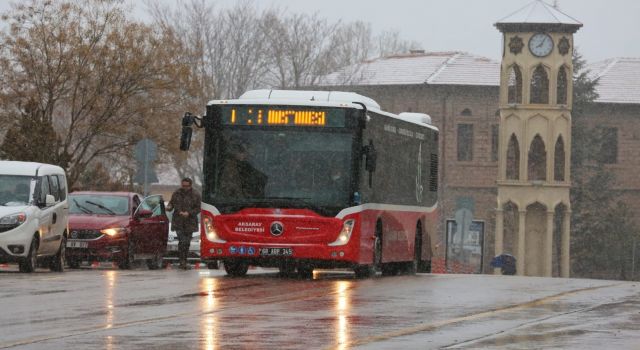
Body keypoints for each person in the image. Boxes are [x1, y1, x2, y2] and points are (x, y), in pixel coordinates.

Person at [166, 178, 201, 270]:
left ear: (190, 185)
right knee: (181, 241)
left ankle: (184, 259)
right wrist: (168, 207)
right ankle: (182, 261)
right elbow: (171, 204)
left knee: (187, 242)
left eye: (186, 186)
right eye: (183, 186)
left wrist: (189, 213)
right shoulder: (176, 193)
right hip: (178, 221)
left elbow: (198, 208)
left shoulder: (196, 194)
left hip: (190, 222)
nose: (184, 188)